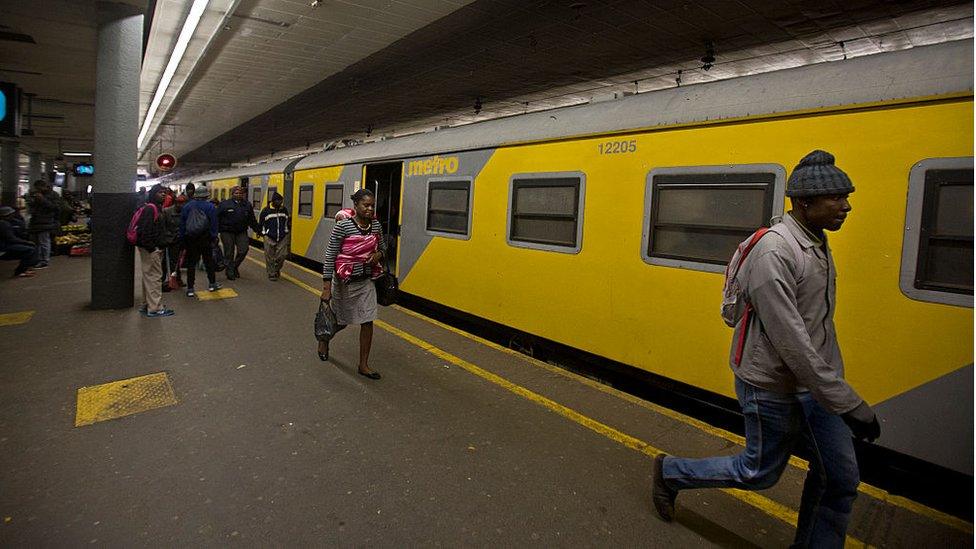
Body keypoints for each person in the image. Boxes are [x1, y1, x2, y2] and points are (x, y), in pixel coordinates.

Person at [651, 150, 880, 548]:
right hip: (771, 385)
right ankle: (671, 473)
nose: (846, 206)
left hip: (815, 385)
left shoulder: (816, 242)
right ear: (804, 203)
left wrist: (833, 389)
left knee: (839, 478)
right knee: (759, 471)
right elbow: (790, 339)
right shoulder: (776, 252)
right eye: (837, 198)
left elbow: (817, 325)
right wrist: (847, 402)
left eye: (847, 196)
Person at [319, 189, 386, 379]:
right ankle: (324, 338)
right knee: (341, 322)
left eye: (372, 205)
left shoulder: (375, 227)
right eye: (366, 205)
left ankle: (363, 364)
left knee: (368, 320)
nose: (370, 208)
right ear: (356, 206)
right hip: (344, 282)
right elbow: (331, 254)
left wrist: (378, 255)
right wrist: (326, 287)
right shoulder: (343, 226)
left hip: (366, 281)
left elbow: (382, 248)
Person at [134, 185, 174, 317]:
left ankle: (147, 304)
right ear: (153, 194)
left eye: (164, 193)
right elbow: (144, 231)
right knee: (155, 278)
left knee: (148, 277)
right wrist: (153, 248)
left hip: (150, 248)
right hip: (151, 249)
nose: (163, 195)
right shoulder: (151, 209)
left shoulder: (155, 208)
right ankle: (155, 308)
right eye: (159, 193)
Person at [179, 185, 221, 297]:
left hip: (190, 239)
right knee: (209, 262)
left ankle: (190, 288)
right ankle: (212, 284)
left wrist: (183, 238)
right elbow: (214, 224)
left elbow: (182, 224)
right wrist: (214, 237)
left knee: (191, 264)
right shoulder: (211, 207)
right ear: (207, 195)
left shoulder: (187, 207)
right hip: (205, 239)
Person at [216, 186, 260, 280]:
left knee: (243, 250)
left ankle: (234, 266)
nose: (239, 195)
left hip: (241, 231)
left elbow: (251, 220)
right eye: (236, 193)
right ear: (232, 194)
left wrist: (258, 230)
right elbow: (217, 218)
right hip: (226, 231)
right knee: (229, 252)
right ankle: (229, 271)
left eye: (240, 193)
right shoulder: (224, 204)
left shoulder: (247, 205)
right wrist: (215, 231)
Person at [26, 180, 61, 269]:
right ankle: (36, 259)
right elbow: (31, 206)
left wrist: (42, 200)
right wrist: (30, 199)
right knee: (35, 242)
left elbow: (55, 207)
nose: (38, 190)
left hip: (46, 221)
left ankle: (44, 260)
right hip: (34, 221)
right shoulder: (35, 194)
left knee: (44, 241)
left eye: (39, 188)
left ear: (44, 186)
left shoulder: (53, 195)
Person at [259, 192, 291, 280]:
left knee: (282, 255)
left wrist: (286, 231)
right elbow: (261, 223)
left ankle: (276, 269)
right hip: (269, 236)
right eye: (278, 200)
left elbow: (287, 222)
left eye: (281, 201)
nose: (280, 202)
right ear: (273, 201)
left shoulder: (284, 210)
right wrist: (263, 234)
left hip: (282, 236)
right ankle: (271, 273)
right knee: (269, 256)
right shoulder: (266, 211)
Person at [0, 206, 39, 277]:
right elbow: (11, 239)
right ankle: (21, 270)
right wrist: (26, 242)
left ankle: (25, 269)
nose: (13, 215)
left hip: (5, 245)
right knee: (30, 250)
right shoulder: (3, 224)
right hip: (4, 247)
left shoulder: (9, 222)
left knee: (29, 249)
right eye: (11, 214)